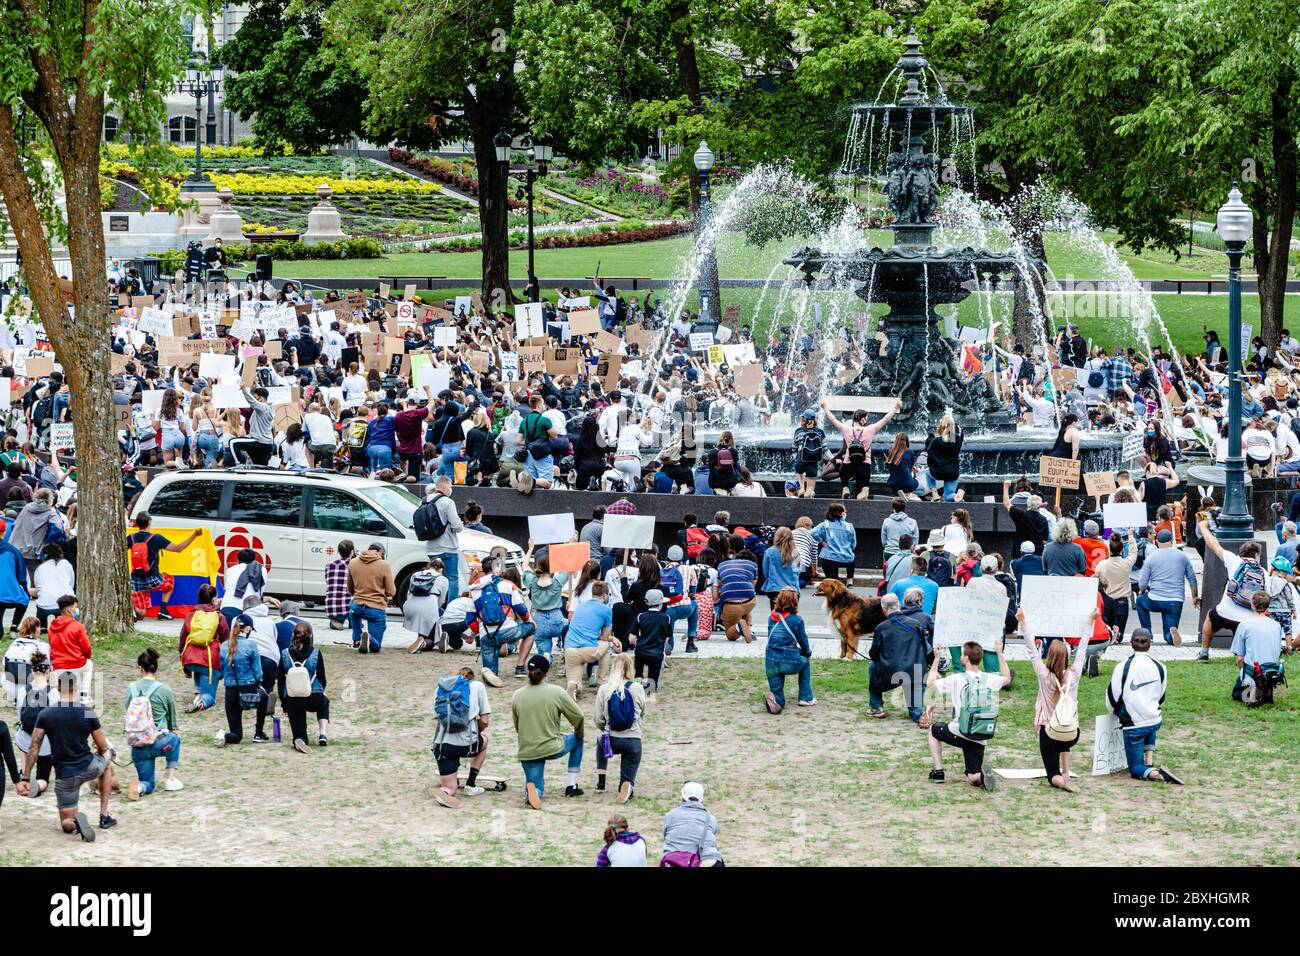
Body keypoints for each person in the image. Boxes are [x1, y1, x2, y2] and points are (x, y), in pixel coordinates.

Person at [18, 670, 117, 840]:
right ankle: (104, 815)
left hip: (65, 776)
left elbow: (34, 748)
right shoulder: (87, 712)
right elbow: (102, 747)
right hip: (89, 767)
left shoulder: (45, 714)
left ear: (57, 688)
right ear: (77, 688)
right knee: (107, 763)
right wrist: (102, 754)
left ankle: (75, 823)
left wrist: (26, 778)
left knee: (66, 824)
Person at [922, 638, 1010, 790]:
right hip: (980, 734)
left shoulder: (957, 678)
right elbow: (1007, 678)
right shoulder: (989, 678)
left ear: (967, 658)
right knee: (973, 778)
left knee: (933, 730)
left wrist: (936, 658)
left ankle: (938, 771)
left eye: (963, 655)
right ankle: (981, 776)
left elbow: (930, 683)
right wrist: (999, 654)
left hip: (960, 730)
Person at [1018, 607, 1088, 791]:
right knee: (1063, 743)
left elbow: (1032, 650)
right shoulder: (1074, 675)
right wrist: (1090, 623)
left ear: (1049, 656)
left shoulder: (1044, 675)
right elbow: (1082, 650)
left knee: (1051, 773)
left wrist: (1023, 623)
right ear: (1066, 657)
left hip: (1050, 731)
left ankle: (1061, 780)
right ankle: (1066, 772)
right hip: (1072, 732)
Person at [1105, 628, 1182, 784]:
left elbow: (1113, 697)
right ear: (1150, 644)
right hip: (1154, 720)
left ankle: (1156, 774)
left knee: (1135, 768)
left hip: (1133, 725)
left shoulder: (1123, 666)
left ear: (1131, 644)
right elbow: (1161, 695)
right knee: (1149, 721)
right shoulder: (1160, 666)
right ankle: (1149, 757)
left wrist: (1116, 714)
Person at [511, 654, 586, 808]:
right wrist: (578, 732)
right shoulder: (556, 692)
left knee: (537, 786)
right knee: (578, 740)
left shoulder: (517, 695)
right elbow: (578, 716)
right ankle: (570, 786)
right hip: (552, 746)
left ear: (528, 672)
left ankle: (532, 792)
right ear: (547, 673)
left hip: (528, 750)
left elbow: (518, 727)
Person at [431, 665, 500, 809]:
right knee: (485, 742)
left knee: (450, 787)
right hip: (468, 744)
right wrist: (477, 732)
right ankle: (471, 784)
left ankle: (445, 791)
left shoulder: (441, 689)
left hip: (443, 745)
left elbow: (437, 716)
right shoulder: (477, 686)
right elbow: (484, 720)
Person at [1198, 523, 1266, 663]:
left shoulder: (1235, 561)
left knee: (1210, 618)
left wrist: (1204, 528)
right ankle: (1241, 656)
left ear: (1242, 553)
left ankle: (1204, 653)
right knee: (1242, 631)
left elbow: (1213, 544)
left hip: (1225, 612)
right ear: (1257, 555)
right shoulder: (1264, 573)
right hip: (1247, 618)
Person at [124, 648, 182, 799]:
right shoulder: (165, 690)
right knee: (175, 739)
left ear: (140, 668)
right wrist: (173, 730)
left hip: (139, 745)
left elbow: (128, 713)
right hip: (159, 742)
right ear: (155, 667)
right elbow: (173, 721)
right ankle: (169, 779)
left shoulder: (132, 688)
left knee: (148, 782)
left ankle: (140, 787)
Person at [821, 396, 901, 499]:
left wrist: (825, 408)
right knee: (863, 486)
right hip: (864, 465)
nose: (866, 420)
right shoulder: (871, 429)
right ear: (863, 419)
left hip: (848, 465)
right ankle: (863, 492)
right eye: (866, 418)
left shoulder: (846, 429)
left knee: (843, 473)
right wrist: (895, 408)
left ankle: (845, 487)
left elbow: (833, 419)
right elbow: (885, 419)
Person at [868, 590, 930, 721]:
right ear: (899, 605)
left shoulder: (881, 628)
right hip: (915, 671)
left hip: (891, 671)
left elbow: (873, 654)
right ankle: (917, 713)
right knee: (916, 711)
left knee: (872, 667)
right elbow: (926, 648)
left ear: (884, 609)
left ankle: (876, 707)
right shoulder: (915, 624)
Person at [126, 511, 201, 620]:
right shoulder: (156, 538)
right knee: (169, 581)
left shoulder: (131, 538)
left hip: (135, 580)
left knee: (141, 615)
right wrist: (195, 535)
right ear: (149, 523)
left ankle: (132, 605)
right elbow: (178, 548)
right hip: (153, 579)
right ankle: (163, 610)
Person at [593, 652, 646, 802]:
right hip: (633, 738)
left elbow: (598, 718)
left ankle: (601, 780)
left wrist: (605, 729)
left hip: (612, 739)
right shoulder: (637, 688)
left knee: (600, 741)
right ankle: (626, 785)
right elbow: (642, 712)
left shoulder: (604, 689)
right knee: (629, 763)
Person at [1135, 528, 1198, 646]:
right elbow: (1192, 579)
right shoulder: (1182, 556)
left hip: (1155, 599)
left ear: (1157, 541)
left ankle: (1147, 634)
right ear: (1172, 540)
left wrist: (1141, 591)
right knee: (1169, 630)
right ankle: (1170, 636)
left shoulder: (1152, 557)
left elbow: (1142, 583)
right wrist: (1194, 597)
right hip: (1175, 601)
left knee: (1139, 602)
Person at [214, 612, 264, 747]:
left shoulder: (224, 645)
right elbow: (258, 672)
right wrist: (258, 682)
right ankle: (259, 731)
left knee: (236, 735)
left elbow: (223, 668)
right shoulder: (251, 645)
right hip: (248, 688)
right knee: (266, 698)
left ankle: (222, 735)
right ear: (247, 629)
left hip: (230, 690)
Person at [563, 580, 619, 699]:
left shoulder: (580, 607)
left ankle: (574, 687)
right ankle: (602, 682)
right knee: (606, 645)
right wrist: (612, 638)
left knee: (574, 680)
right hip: (589, 650)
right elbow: (604, 637)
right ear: (604, 595)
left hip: (570, 649)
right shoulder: (606, 610)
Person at [279, 622, 330, 751]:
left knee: (299, 728)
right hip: (314, 696)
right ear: (311, 636)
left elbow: (280, 681)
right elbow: (322, 678)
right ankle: (322, 733)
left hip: (293, 698)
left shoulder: (285, 654)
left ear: (293, 635)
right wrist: (320, 691)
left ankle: (300, 739)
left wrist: (285, 705)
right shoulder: (316, 653)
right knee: (324, 702)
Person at [763, 587, 815, 713]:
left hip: (771, 661)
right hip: (789, 661)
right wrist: (807, 654)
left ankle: (777, 700)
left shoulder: (771, 618)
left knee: (776, 682)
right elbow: (803, 642)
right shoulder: (796, 620)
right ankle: (805, 697)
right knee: (805, 663)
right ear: (795, 602)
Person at [179, 582, 228, 713]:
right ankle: (202, 702)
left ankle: (198, 692)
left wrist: (184, 663)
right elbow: (226, 641)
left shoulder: (191, 615)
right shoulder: (219, 617)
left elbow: (182, 639)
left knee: (198, 667)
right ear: (214, 599)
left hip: (190, 658)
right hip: (210, 661)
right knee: (210, 696)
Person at [1230, 590, 1284, 705]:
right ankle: (1265, 689)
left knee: (1236, 693)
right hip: (1272, 671)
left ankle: (1252, 693)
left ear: (1252, 604)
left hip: (1254, 671)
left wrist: (1243, 673)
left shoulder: (1245, 625)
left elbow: (1239, 658)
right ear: (1267, 606)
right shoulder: (1276, 625)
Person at [522, 545, 569, 663]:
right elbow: (567, 564)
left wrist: (530, 548)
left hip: (539, 619)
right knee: (570, 629)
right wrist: (569, 545)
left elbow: (524, 566)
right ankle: (567, 651)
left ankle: (546, 660)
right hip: (556, 618)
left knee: (543, 650)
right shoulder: (557, 582)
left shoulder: (532, 581)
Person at [348, 542, 396, 654]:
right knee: (376, 647)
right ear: (381, 552)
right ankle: (370, 639)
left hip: (357, 605)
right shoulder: (385, 565)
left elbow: (350, 588)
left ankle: (356, 639)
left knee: (354, 611)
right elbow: (391, 592)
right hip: (376, 608)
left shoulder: (353, 562)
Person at [661, 781, 723, 866]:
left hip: (674, 860)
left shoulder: (670, 815)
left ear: (682, 797)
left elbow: (666, 835)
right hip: (706, 861)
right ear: (702, 800)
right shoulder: (710, 819)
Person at [422, 475, 464, 595]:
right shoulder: (448, 502)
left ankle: (434, 604)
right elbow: (456, 526)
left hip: (431, 547)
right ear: (446, 488)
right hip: (448, 547)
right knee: (452, 578)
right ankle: (450, 608)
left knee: (435, 578)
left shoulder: (425, 500)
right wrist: (460, 524)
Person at [48, 594, 92, 704]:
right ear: (69, 610)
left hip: (58, 666)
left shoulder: (52, 627)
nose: (77, 610)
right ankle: (84, 694)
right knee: (89, 665)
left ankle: (62, 697)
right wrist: (87, 656)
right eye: (75, 607)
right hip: (76, 663)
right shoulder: (78, 626)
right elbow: (86, 647)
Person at [628, 589, 670, 699]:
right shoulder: (667, 618)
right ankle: (650, 694)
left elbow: (631, 638)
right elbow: (666, 638)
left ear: (646, 602)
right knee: (653, 675)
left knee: (638, 673)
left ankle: (637, 691)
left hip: (641, 651)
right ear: (661, 604)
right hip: (657, 653)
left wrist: (639, 643)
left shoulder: (640, 616)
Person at [1096, 531, 1137, 642]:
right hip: (1122, 601)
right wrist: (1130, 535)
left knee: (1106, 632)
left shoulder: (1102, 565)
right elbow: (1134, 553)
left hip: (1106, 601)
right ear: (1122, 549)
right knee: (1119, 635)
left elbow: (1095, 579)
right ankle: (1117, 637)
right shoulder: (1126, 564)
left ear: (1109, 549)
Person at [716, 544, 758, 643]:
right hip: (749, 601)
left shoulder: (722, 565)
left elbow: (720, 584)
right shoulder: (753, 565)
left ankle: (739, 628)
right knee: (745, 596)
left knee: (730, 634)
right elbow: (753, 585)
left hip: (730, 604)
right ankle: (748, 629)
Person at [29, 542, 74, 631]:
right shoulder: (66, 564)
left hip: (44, 608)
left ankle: (44, 626)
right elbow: (71, 585)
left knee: (42, 605)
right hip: (65, 606)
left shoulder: (40, 568)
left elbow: (38, 588)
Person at [811, 502, 857, 582]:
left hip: (829, 558)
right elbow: (853, 544)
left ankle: (834, 582)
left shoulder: (825, 525)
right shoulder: (849, 526)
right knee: (852, 558)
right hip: (846, 559)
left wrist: (822, 542)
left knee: (833, 580)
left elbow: (812, 533)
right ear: (842, 514)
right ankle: (850, 579)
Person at [923, 413, 964, 501]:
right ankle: (956, 495)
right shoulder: (956, 442)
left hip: (937, 472)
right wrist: (951, 423)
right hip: (952, 473)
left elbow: (930, 458)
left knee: (927, 473)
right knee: (947, 496)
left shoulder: (935, 442)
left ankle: (934, 493)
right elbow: (959, 433)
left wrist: (933, 466)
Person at [220, 548, 265, 628]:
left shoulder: (230, 570)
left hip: (227, 608)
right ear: (254, 559)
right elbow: (259, 594)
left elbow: (227, 589)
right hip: (248, 610)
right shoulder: (261, 570)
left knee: (228, 638)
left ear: (238, 559)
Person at [1002, 482, 1049, 554]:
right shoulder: (1044, 519)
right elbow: (1044, 540)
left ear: (1028, 504)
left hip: (1020, 552)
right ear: (1040, 506)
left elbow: (1007, 504)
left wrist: (1006, 487)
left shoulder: (1021, 515)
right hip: (1037, 553)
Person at [760, 528, 799, 611]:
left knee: (776, 616)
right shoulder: (796, 553)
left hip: (775, 589)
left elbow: (765, 572)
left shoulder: (769, 552)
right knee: (791, 617)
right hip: (792, 590)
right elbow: (798, 572)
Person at [791, 408, 825, 498]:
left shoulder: (798, 431)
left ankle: (802, 488)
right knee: (810, 488)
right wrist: (832, 460)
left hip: (801, 460)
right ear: (815, 419)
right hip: (812, 462)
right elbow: (825, 448)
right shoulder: (820, 432)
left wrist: (796, 459)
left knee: (799, 471)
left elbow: (794, 447)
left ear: (803, 419)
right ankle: (805, 499)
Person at [324, 540, 355, 631]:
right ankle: (353, 622)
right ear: (352, 551)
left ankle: (337, 621)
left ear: (339, 552)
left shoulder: (329, 565)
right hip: (348, 606)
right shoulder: (354, 565)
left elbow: (328, 581)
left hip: (331, 606)